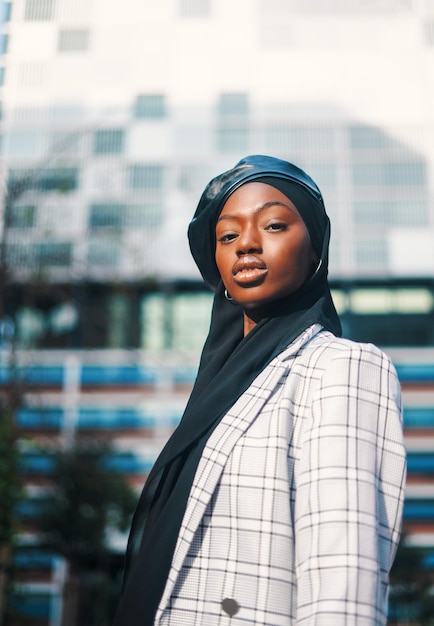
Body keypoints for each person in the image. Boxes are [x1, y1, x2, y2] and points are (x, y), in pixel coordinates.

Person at [113, 155, 406, 626]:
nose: (246, 243)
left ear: (315, 249)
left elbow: (341, 579)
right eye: (227, 236)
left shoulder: (340, 367)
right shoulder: (217, 391)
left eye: (272, 225)